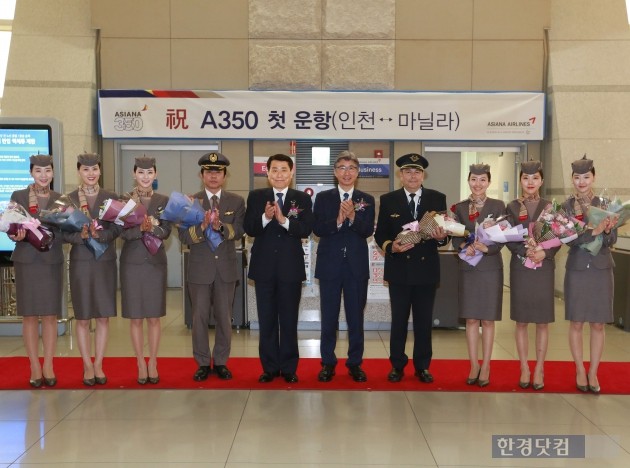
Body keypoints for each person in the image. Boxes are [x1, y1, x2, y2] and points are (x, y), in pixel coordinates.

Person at [373, 153, 448, 383]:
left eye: (417, 171)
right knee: (399, 321)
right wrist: (391, 247)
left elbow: (444, 236)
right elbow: (380, 234)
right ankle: (397, 365)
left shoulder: (437, 198)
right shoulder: (389, 199)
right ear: (401, 175)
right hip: (399, 270)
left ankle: (422, 366)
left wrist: (441, 237)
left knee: (424, 322)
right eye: (408, 171)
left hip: (426, 271)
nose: (412, 176)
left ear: (423, 175)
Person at [244, 153, 314, 383]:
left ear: (291, 173)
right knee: (267, 320)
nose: (279, 174)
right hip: (263, 268)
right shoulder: (256, 197)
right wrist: (265, 217)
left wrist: (284, 221)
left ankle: (289, 367)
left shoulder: (301, 199)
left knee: (289, 319)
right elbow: (250, 228)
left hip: (290, 269)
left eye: (284, 170)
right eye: (274, 170)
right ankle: (270, 368)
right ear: (267, 173)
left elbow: (305, 229)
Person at [179, 152, 245, 382]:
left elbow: (239, 230)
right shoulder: (191, 202)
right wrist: (203, 225)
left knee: (225, 317)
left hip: (226, 268)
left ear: (225, 176)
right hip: (199, 269)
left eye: (218, 172)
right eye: (209, 171)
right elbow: (184, 236)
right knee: (199, 318)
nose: (213, 176)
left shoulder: (236, 202)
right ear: (201, 175)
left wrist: (220, 227)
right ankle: (202, 362)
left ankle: (222, 361)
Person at [313, 151, 375, 383]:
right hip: (330, 266)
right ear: (335, 172)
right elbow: (317, 228)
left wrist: (352, 219)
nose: (346, 172)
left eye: (351, 168)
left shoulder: (366, 199)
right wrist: (339, 220)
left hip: (356, 268)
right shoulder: (323, 198)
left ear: (357, 172)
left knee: (355, 318)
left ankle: (355, 364)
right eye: (342, 168)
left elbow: (367, 230)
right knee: (328, 317)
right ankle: (327, 363)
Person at [65, 152, 122, 386]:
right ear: (79, 171)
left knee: (103, 316)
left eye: (95, 169)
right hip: (80, 262)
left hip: (104, 262)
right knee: (82, 317)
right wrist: (81, 236)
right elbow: (63, 233)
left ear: (100, 170)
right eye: (86, 169)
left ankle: (99, 363)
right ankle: (86, 365)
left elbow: (119, 228)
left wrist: (103, 235)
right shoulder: (68, 200)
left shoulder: (111, 197)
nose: (91, 173)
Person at [562, 155, 617, 394]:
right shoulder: (565, 206)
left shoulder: (604, 203)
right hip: (577, 268)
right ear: (572, 179)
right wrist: (593, 231)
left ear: (593, 177)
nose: (582, 181)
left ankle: (593, 371)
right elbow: (566, 238)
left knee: (597, 324)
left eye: (586, 177)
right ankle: (579, 369)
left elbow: (611, 240)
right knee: (576, 322)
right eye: (577, 177)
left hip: (601, 269)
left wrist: (608, 230)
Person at [7, 155, 64, 387]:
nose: (43, 175)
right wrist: (15, 234)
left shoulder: (61, 199)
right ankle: (34, 365)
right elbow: (9, 226)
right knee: (29, 316)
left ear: (52, 173)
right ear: (31, 172)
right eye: (38, 171)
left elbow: (66, 229)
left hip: (51, 261)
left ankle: (48, 364)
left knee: (50, 315)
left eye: (47, 171)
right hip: (27, 261)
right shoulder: (18, 197)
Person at [505, 160, 560, 391]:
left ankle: (539, 367)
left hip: (543, 268)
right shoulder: (512, 207)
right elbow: (507, 236)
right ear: (520, 180)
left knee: (542, 322)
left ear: (542, 181)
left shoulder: (551, 207)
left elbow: (560, 237)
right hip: (521, 267)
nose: (530, 182)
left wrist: (544, 252)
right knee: (521, 321)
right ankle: (524, 367)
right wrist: (524, 250)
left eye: (535, 178)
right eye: (526, 178)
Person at [450, 163, 505, 388]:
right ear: (469, 180)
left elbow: (503, 237)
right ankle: (473, 364)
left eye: (482, 180)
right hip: (469, 268)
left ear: (489, 182)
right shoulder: (460, 207)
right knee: (472, 319)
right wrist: (465, 245)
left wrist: (487, 248)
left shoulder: (499, 205)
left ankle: (487, 364)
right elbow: (454, 236)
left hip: (490, 267)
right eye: (474, 179)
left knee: (488, 319)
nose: (478, 184)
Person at [119, 156, 172, 385]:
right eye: (141, 173)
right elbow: (121, 232)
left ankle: (153, 361)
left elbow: (168, 231)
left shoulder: (164, 200)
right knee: (136, 317)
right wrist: (140, 229)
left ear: (155, 174)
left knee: (154, 317)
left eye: (149, 173)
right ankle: (140, 361)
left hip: (155, 263)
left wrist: (155, 228)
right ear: (134, 174)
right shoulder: (123, 200)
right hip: (132, 263)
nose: (145, 177)